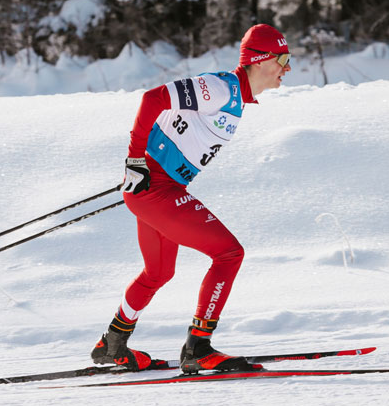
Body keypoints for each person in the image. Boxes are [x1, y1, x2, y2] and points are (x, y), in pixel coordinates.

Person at [91, 24, 292, 374]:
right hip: (155, 188)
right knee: (229, 253)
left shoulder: (235, 98)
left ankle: (113, 343)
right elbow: (152, 99)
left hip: (157, 188)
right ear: (260, 60)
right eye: (283, 59)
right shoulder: (219, 88)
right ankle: (198, 347)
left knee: (158, 272)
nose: (287, 68)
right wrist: (135, 160)